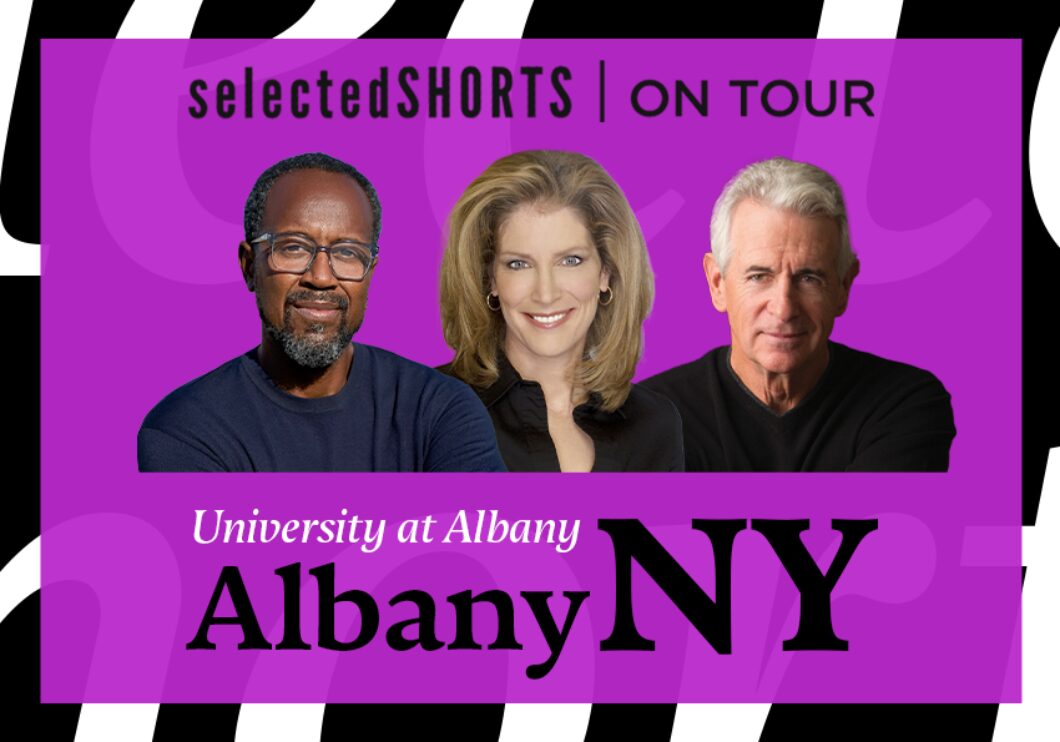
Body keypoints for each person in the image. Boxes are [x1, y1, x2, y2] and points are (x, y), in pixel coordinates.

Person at [138, 152, 505, 472]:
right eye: (294, 248)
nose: (321, 277)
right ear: (250, 266)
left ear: (370, 273)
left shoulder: (440, 411)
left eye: (348, 253)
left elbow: (475, 548)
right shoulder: (187, 431)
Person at [640, 156, 956, 472]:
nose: (784, 308)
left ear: (843, 286)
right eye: (759, 276)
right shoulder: (647, 417)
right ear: (718, 283)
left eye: (809, 278)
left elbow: (879, 520)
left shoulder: (903, 404)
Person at [439, 149, 683, 472]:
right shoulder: (433, 408)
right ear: (490, 279)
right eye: (519, 264)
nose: (546, 293)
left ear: (606, 271)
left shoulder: (654, 425)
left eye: (570, 261)